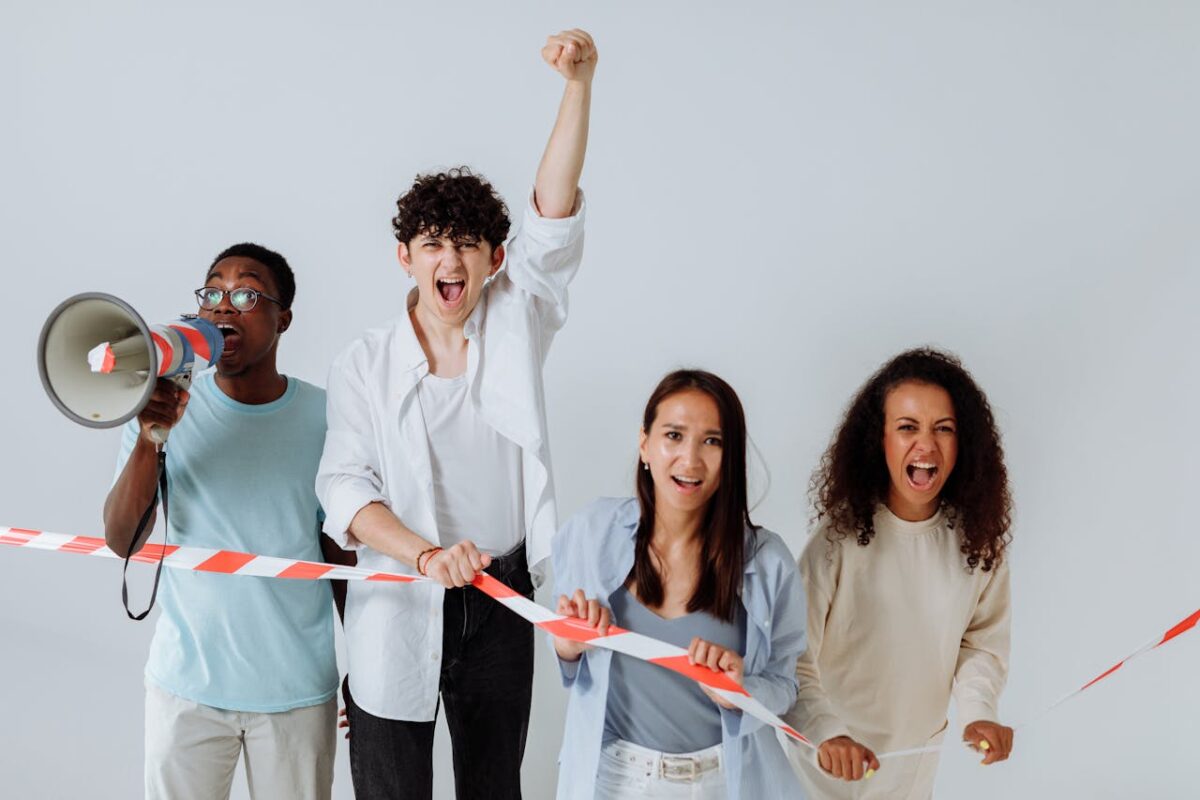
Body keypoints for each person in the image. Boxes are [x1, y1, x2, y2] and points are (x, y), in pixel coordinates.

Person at [315, 29, 596, 800]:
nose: (452, 260)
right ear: (403, 255)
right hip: (396, 597)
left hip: (502, 601)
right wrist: (423, 555)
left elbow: (553, 218)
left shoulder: (518, 318)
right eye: (434, 242)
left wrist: (578, 85)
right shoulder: (362, 363)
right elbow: (342, 489)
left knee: (492, 789)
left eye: (469, 244)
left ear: (493, 261)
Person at [103, 243, 341, 800]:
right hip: (185, 689)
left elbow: (344, 555)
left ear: (283, 318)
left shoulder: (328, 418)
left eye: (246, 293)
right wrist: (150, 437)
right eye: (212, 291)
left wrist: (367, 668)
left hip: (296, 692)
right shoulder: (160, 403)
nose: (223, 306)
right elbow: (121, 539)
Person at [550, 370, 807, 799]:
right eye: (674, 435)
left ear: (731, 457)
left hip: (724, 780)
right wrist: (568, 645)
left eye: (712, 441)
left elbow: (785, 684)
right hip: (615, 780)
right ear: (644, 444)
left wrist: (741, 689)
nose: (690, 460)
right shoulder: (591, 531)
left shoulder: (768, 560)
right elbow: (570, 659)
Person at [784, 347, 1014, 798]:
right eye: (907, 427)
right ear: (880, 440)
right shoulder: (836, 540)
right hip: (822, 765)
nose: (925, 446)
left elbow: (981, 645)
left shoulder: (978, 542)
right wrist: (826, 732)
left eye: (943, 429)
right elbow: (792, 656)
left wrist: (978, 712)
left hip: (909, 770)